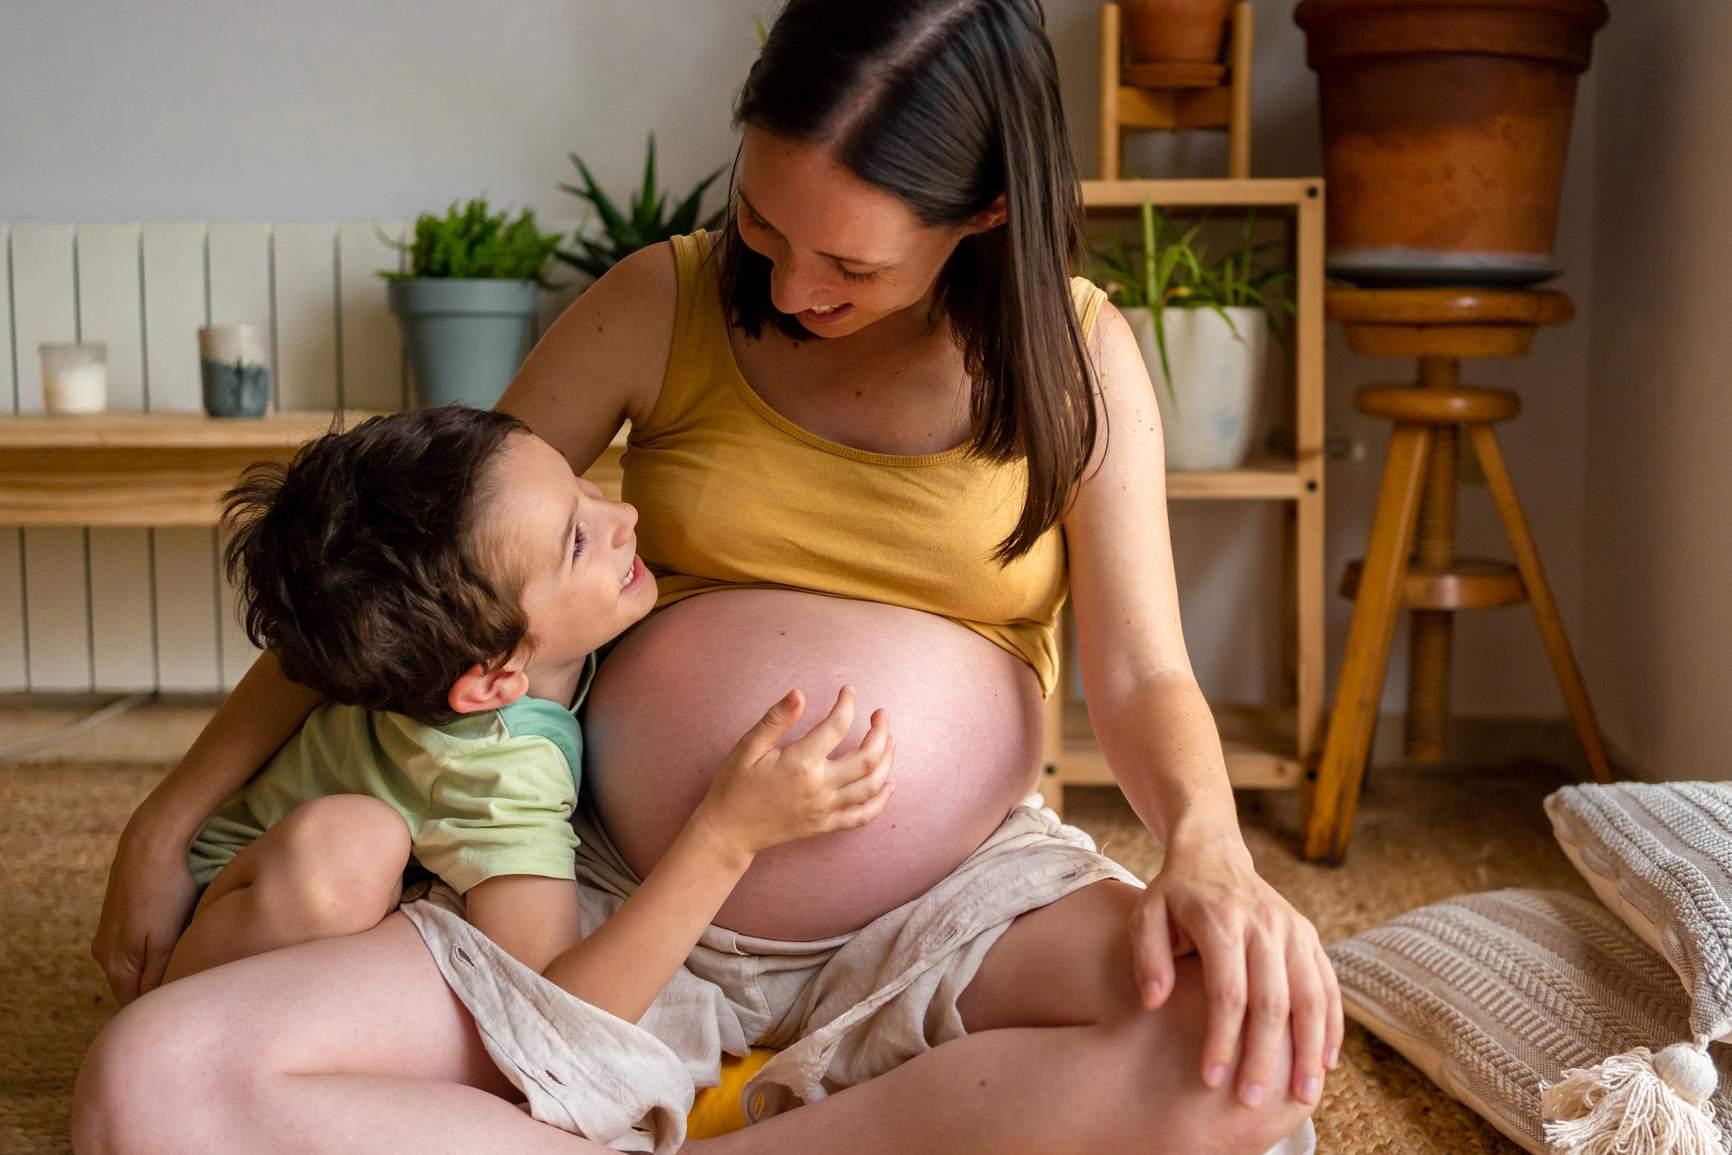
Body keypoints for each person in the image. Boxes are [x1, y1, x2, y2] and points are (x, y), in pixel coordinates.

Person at [77, 2, 1338, 1152]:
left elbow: (1140, 670)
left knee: (1255, 1049)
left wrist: (1208, 849)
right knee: (153, 1084)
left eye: (851, 266)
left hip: (955, 909)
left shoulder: (1075, 357)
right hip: (605, 886)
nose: (791, 287)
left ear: (987, 214)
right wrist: (170, 812)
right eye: (765, 224)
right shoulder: (660, 301)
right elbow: (419, 568)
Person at [160, 406, 895, 1032]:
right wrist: (728, 834)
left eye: (580, 484)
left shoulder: (497, 656)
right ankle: (173, 1020)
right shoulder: (502, 771)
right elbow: (556, 1010)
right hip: (239, 916)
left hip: (280, 870)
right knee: (352, 850)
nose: (624, 515)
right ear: (493, 680)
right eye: (576, 539)